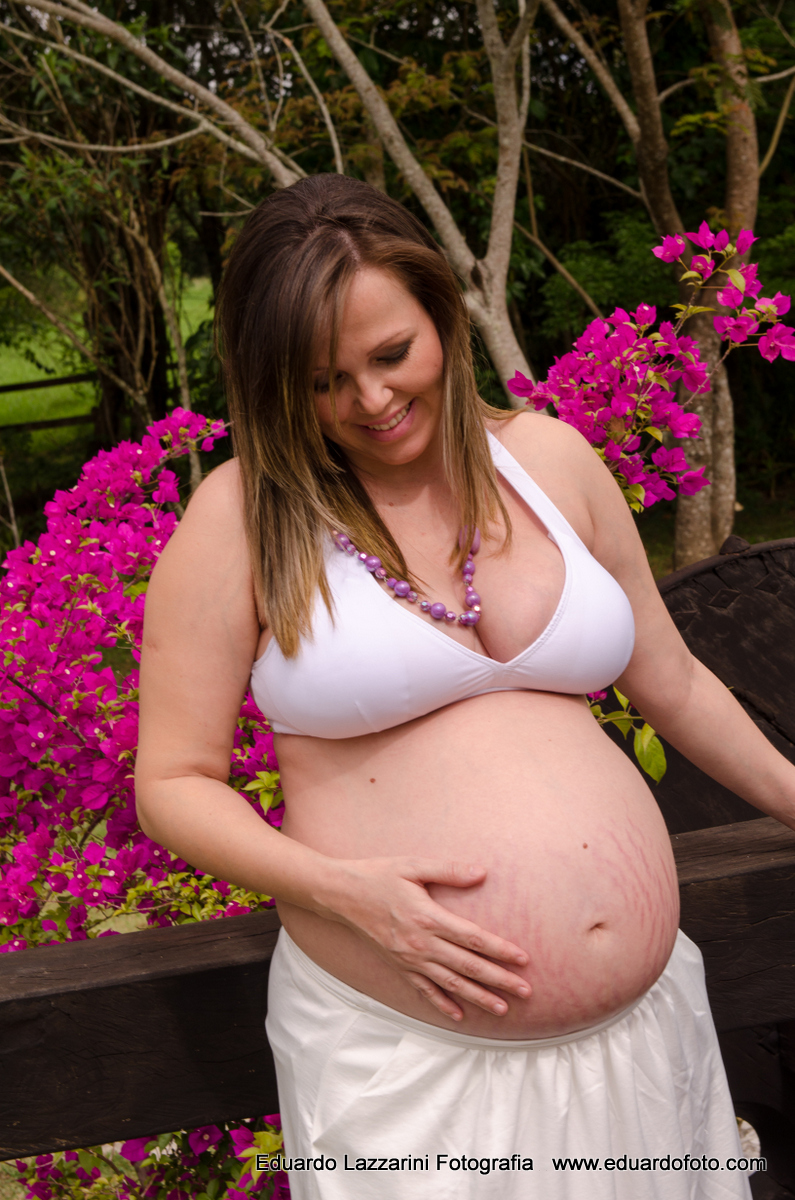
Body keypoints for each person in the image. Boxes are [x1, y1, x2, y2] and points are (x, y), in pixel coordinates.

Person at [134, 174, 792, 1200]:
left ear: (441, 312)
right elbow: (172, 780)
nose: (370, 399)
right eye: (320, 380)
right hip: (415, 1069)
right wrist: (348, 893)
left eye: (392, 355)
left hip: (645, 1032)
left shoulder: (550, 460)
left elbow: (671, 679)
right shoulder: (240, 519)